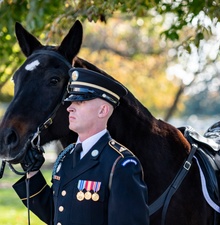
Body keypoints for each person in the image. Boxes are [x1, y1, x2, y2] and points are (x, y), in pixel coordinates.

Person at [13, 68, 149, 225]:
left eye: (80, 102)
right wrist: (33, 172)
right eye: (71, 102)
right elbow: (56, 215)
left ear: (103, 110)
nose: (70, 107)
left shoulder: (121, 164)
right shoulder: (66, 157)